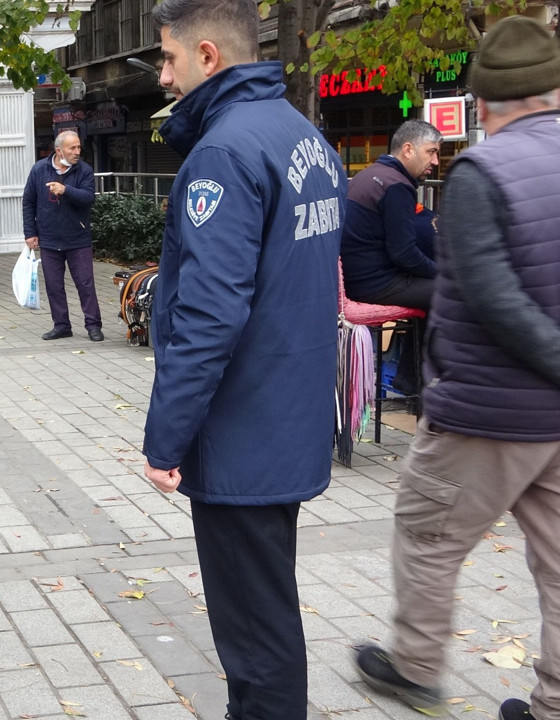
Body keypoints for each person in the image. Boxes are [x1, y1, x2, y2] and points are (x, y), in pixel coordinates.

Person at [141, 1, 346, 718]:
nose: (161, 76)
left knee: (254, 631)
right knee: (267, 606)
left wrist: (165, 437)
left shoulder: (225, 152)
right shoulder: (304, 137)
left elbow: (210, 313)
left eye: (166, 58)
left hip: (243, 428)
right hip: (285, 414)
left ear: (206, 56)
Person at [351, 17, 560, 720]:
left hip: (488, 410)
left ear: (486, 100)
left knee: (427, 533)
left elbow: (489, 294)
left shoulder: (484, 170)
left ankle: (413, 669)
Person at [341, 119, 441, 310]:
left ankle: (416, 340)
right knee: (457, 291)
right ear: (408, 149)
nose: (435, 161)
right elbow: (404, 253)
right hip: (374, 284)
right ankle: (428, 341)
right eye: (431, 152)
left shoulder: (370, 174)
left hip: (353, 279)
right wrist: (442, 272)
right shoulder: (396, 186)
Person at [23, 130, 102, 341]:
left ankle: (93, 325)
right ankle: (61, 325)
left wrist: (65, 190)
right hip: (49, 239)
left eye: (78, 147)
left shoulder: (84, 170)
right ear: (59, 150)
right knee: (54, 286)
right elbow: (28, 202)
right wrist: (30, 233)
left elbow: (88, 198)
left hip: (78, 238)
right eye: (72, 148)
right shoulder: (39, 169)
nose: (77, 151)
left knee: (85, 284)